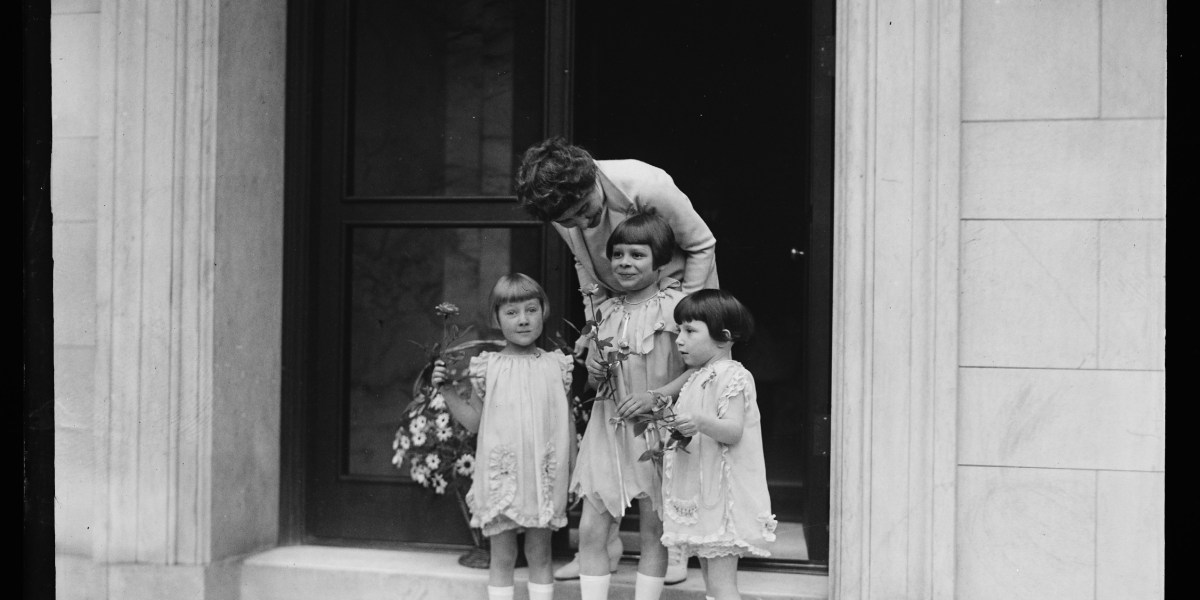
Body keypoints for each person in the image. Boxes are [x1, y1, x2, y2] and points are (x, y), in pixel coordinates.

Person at [517, 136, 712, 584]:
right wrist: (597, 331)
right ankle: (602, 546)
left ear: (592, 178)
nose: (583, 221)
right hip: (620, 316)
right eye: (570, 220)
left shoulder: (647, 182)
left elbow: (701, 244)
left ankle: (674, 545)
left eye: (586, 208)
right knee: (616, 422)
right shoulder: (565, 214)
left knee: (673, 417)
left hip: (674, 306)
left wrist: (682, 312)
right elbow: (587, 272)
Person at [568, 213, 692, 600]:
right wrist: (592, 369)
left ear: (660, 262)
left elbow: (705, 371)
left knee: (653, 529)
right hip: (608, 428)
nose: (624, 262)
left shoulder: (679, 307)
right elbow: (594, 382)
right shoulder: (605, 311)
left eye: (637, 255)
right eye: (618, 254)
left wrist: (658, 396)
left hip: (656, 430)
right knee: (591, 527)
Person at [433, 274, 575, 600]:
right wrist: (448, 391)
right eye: (511, 313)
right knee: (503, 555)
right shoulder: (488, 367)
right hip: (502, 476)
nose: (523, 320)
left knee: (540, 553)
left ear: (544, 310)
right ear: (496, 319)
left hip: (544, 476)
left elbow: (565, 420)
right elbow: (473, 422)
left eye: (531, 310)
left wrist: (573, 470)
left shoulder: (557, 366)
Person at [661, 290, 777, 600]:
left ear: (723, 337)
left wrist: (699, 421)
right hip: (705, 496)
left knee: (723, 585)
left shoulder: (733, 376)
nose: (679, 340)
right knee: (713, 584)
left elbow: (734, 430)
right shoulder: (696, 377)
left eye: (689, 331)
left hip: (724, 500)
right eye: (678, 331)